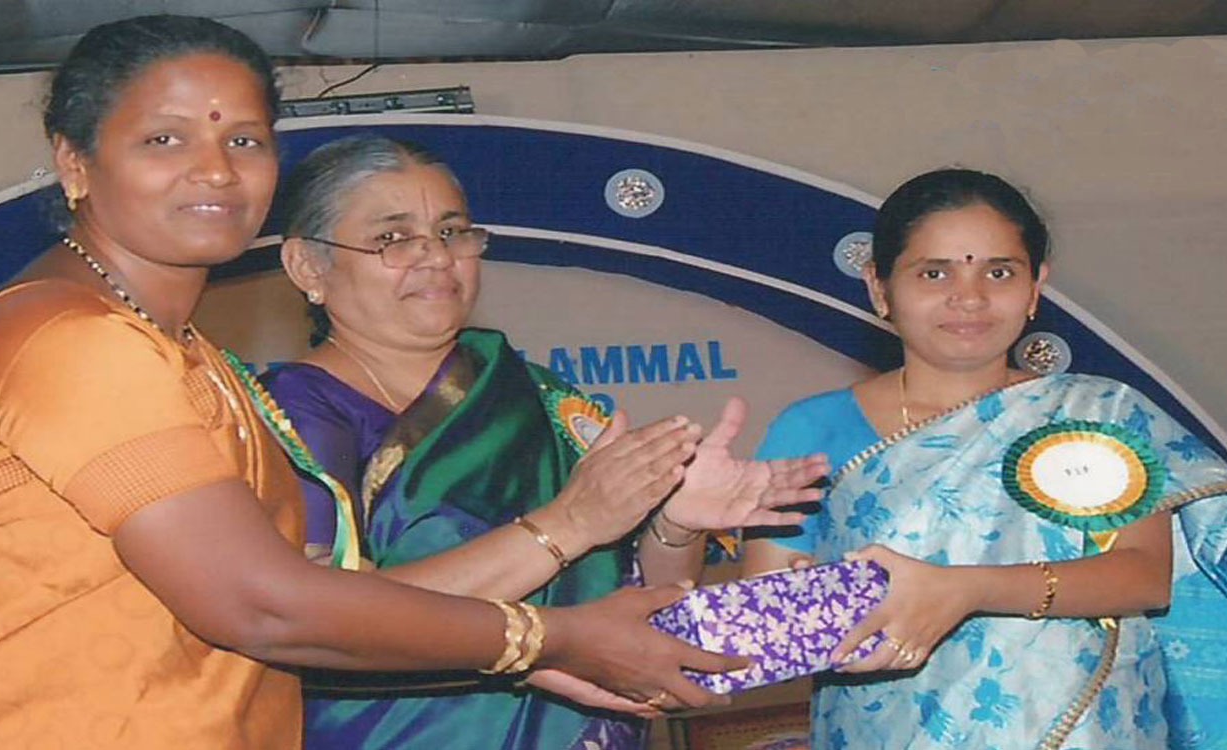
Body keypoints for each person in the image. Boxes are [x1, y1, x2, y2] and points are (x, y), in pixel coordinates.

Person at [0, 16, 761, 747]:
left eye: (244, 140)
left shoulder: (183, 354)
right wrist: (548, 636)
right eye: (164, 139)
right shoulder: (69, 338)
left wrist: (641, 551)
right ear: (75, 161)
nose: (216, 169)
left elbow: (308, 603)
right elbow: (262, 606)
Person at [264, 133, 827, 749]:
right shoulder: (293, 411)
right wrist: (568, 524)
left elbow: (642, 600)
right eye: (393, 237)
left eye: (452, 232)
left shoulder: (531, 392)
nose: (437, 257)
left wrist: (676, 525)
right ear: (308, 266)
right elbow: (322, 621)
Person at [742, 169, 1227, 749]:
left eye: (999, 272)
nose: (970, 297)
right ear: (880, 287)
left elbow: (1143, 577)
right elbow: (767, 628)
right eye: (934, 273)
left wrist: (969, 589)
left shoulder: (1096, 413)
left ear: (1035, 287)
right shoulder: (811, 430)